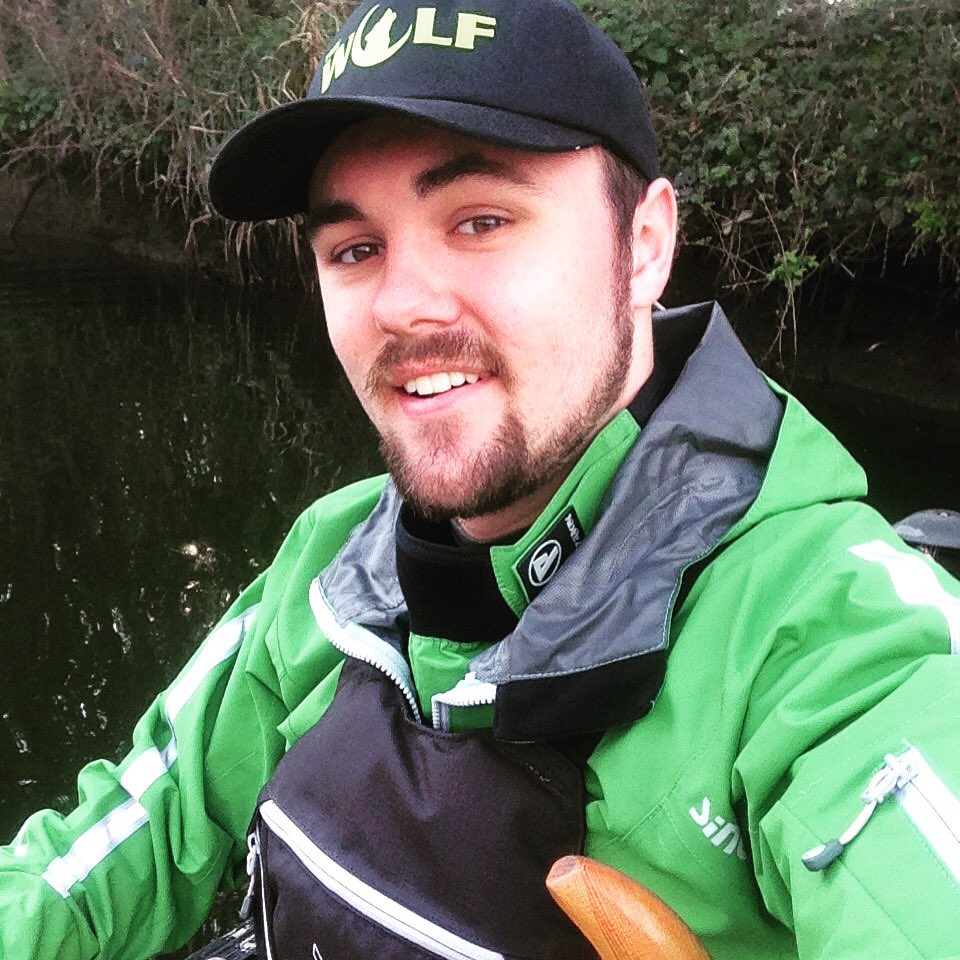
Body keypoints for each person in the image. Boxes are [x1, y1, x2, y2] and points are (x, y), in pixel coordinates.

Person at [4, 1, 960, 958]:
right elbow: (103, 860)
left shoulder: (836, 634)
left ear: (646, 246)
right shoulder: (333, 560)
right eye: (356, 249)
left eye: (482, 220)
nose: (404, 305)